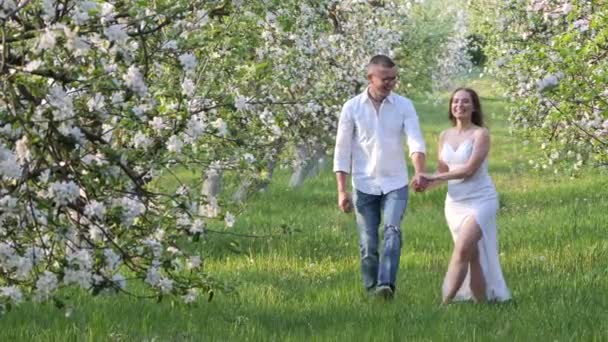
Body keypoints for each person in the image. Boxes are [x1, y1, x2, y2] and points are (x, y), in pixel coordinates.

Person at [333, 54, 427, 299]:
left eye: (394, 79)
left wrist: (418, 172)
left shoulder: (404, 105)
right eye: (385, 79)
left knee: (392, 230)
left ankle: (386, 285)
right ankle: (370, 288)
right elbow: (342, 151)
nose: (390, 83)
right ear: (370, 78)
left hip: (395, 182)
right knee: (368, 245)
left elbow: (415, 140)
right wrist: (342, 190)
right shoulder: (351, 107)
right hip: (364, 184)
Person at [418, 87, 511, 304]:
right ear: (451, 106)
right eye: (455, 101)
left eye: (465, 102)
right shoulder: (444, 135)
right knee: (473, 255)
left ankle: (444, 303)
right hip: (455, 204)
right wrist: (425, 183)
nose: (459, 105)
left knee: (462, 249)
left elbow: (469, 170)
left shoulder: (481, 134)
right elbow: (443, 173)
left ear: (474, 107)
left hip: (481, 201)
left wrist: (433, 178)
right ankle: (482, 302)